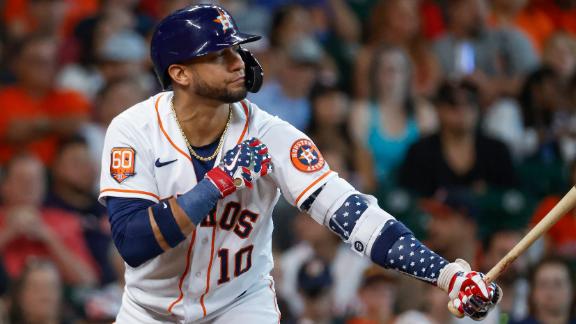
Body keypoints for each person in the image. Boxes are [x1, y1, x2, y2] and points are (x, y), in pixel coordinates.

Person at [98, 4, 502, 323]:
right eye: (219, 55)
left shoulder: (272, 136)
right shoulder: (134, 129)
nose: (238, 61)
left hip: (239, 306)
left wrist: (447, 274)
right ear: (180, 74)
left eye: (236, 49)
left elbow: (354, 216)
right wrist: (217, 183)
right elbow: (134, 243)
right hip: (149, 310)